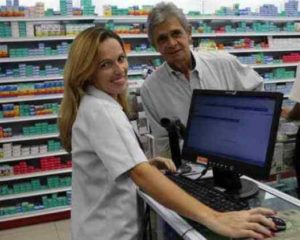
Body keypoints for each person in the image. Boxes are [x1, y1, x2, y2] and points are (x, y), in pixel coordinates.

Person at [58, 26, 277, 240]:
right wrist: (214, 217)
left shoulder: (93, 102)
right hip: (109, 231)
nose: (119, 69)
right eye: (105, 64)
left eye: (121, 59)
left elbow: (112, 167)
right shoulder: (103, 110)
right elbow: (141, 175)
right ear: (86, 70)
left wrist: (143, 164)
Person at [141, 2, 265, 156]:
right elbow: (164, 143)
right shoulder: (150, 89)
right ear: (155, 46)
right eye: (162, 39)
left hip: (235, 154)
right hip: (190, 167)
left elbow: (259, 92)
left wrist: (243, 128)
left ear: (189, 33)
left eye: (176, 34)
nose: (171, 43)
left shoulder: (224, 64)